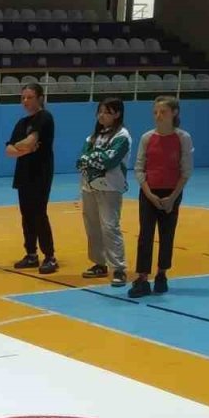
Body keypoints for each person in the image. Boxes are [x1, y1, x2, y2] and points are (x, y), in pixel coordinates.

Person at [129, 95, 194, 298]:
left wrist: (173, 197)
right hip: (149, 192)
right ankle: (142, 278)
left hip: (171, 193)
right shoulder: (147, 138)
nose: (158, 116)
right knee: (145, 235)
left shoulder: (183, 138)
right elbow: (139, 168)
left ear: (174, 113)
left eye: (163, 112)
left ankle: (161, 275)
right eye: (155, 112)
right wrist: (149, 193)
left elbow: (186, 170)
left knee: (167, 234)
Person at [76, 97, 131, 287]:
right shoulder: (92, 137)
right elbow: (81, 159)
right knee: (92, 225)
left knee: (110, 227)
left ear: (117, 114)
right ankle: (99, 263)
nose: (101, 115)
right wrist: (93, 158)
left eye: (106, 111)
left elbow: (110, 160)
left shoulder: (122, 136)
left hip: (111, 187)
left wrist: (91, 158)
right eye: (99, 111)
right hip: (89, 186)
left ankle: (119, 268)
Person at [5, 82, 58, 274]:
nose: (25, 101)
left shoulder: (44, 117)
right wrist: (23, 149)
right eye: (23, 98)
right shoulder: (22, 123)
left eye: (29, 97)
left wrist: (21, 146)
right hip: (24, 173)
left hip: (40, 173)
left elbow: (31, 141)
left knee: (39, 214)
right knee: (26, 215)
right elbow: (9, 150)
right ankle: (31, 254)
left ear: (40, 98)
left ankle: (50, 256)